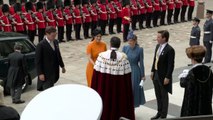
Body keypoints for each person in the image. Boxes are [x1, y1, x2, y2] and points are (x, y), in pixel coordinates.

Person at [91, 36, 135, 120]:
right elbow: (127, 78)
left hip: (104, 88)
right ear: (119, 45)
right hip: (118, 89)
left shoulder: (101, 56)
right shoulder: (123, 57)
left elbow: (95, 77)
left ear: (110, 44)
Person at [179, 45, 213, 117]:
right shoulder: (209, 71)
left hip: (192, 109)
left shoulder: (191, 73)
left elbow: (183, 84)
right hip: (205, 106)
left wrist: (183, 77)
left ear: (192, 58)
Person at [150, 30, 175, 119]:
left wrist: (167, 77)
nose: (157, 39)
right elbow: (155, 60)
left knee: (164, 95)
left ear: (164, 38)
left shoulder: (170, 49)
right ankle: (159, 112)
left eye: (159, 37)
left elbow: (170, 65)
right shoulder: (157, 46)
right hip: (156, 74)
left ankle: (163, 114)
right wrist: (152, 71)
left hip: (163, 76)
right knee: (157, 94)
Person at [36, 26, 66, 91]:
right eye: (52, 36)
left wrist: (62, 66)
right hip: (46, 73)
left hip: (54, 71)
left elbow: (58, 55)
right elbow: (38, 61)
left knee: (51, 87)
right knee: (47, 90)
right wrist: (40, 73)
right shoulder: (41, 45)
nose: (54, 37)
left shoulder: (55, 42)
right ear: (47, 34)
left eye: (55, 35)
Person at [122, 31, 146, 108]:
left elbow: (141, 63)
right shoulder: (125, 48)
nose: (130, 42)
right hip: (126, 70)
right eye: (129, 40)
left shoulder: (140, 49)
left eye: (131, 41)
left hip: (135, 71)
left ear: (135, 41)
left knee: (134, 89)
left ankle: (133, 108)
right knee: (126, 90)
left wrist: (143, 75)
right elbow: (122, 60)